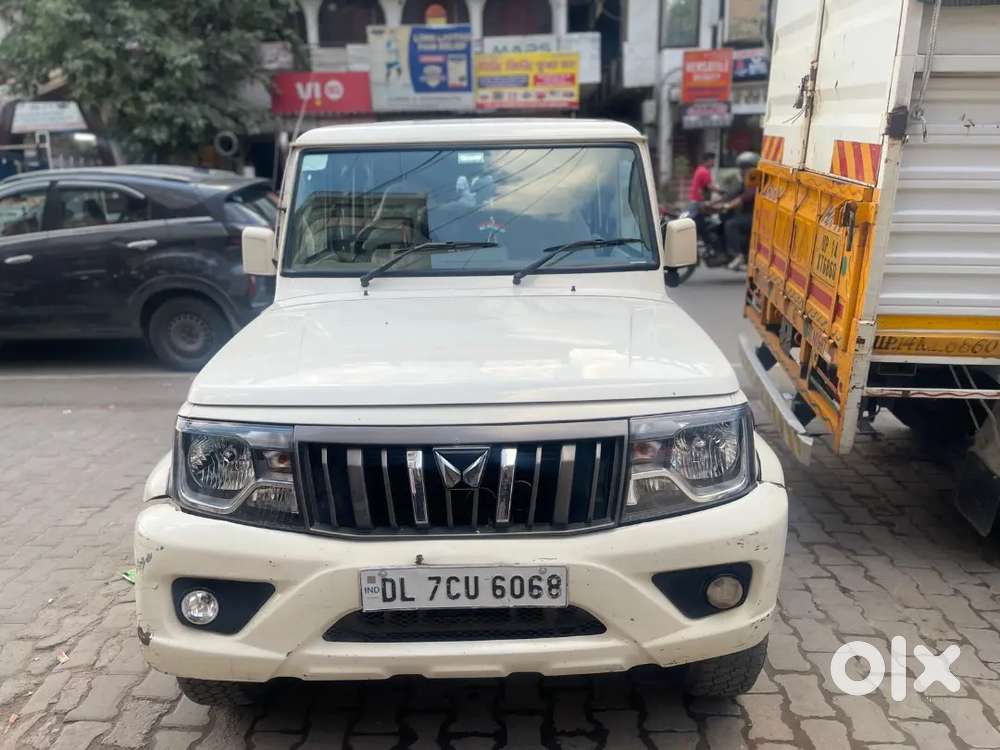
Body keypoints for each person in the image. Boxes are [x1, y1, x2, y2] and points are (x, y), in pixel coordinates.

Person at [721, 151, 760, 271]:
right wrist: (716, 202)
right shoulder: (746, 179)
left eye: (745, 167)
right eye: (742, 167)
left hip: (755, 216)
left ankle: (738, 256)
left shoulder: (755, 177)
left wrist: (731, 204)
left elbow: (749, 195)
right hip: (745, 213)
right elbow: (735, 193)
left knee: (731, 224)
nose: (742, 170)